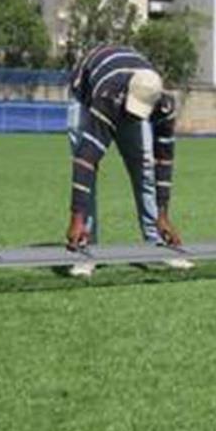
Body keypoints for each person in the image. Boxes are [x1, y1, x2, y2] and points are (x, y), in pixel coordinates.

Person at [65, 44, 192, 277]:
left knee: (144, 167)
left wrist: (163, 215)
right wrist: (76, 217)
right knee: (87, 168)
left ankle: (158, 244)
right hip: (87, 93)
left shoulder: (163, 103)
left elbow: (163, 161)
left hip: (124, 92)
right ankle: (85, 250)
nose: (134, 116)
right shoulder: (107, 96)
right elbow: (86, 161)